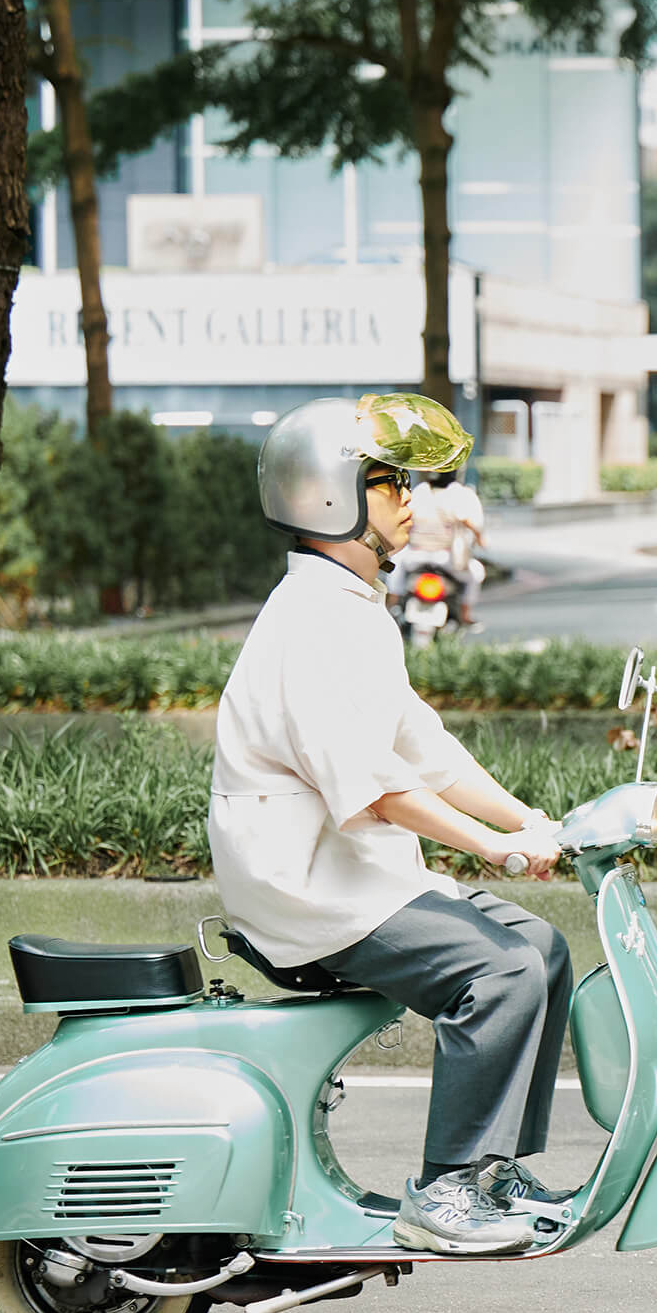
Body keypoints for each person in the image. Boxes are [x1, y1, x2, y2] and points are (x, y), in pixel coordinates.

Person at [208, 393, 572, 1258]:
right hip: (310, 889)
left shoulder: (352, 606)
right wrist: (494, 847)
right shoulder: (315, 620)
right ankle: (446, 1192)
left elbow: (426, 749)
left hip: (358, 873)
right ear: (329, 495)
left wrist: (529, 818)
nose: (412, 500)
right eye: (388, 482)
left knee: (545, 951)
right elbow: (373, 789)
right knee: (507, 971)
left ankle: (492, 1173)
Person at [388, 470, 487, 628]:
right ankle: (465, 614)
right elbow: (469, 521)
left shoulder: (419, 491)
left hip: (414, 556)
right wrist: (481, 540)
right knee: (476, 573)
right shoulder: (460, 494)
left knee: (395, 566)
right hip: (447, 558)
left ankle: (390, 607)